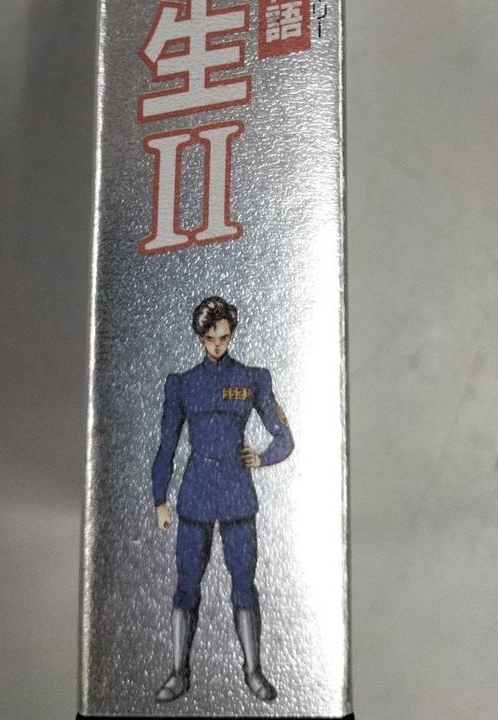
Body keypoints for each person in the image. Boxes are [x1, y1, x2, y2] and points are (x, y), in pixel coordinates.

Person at [152, 295, 294, 704]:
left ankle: (253, 671)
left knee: (244, 584)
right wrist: (160, 499)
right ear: (200, 337)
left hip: (236, 494)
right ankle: (178, 673)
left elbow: (285, 437)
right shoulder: (182, 384)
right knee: (186, 586)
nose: (218, 345)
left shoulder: (253, 378)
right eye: (211, 338)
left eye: (225, 337)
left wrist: (263, 458)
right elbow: (167, 445)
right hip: (196, 494)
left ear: (232, 334)